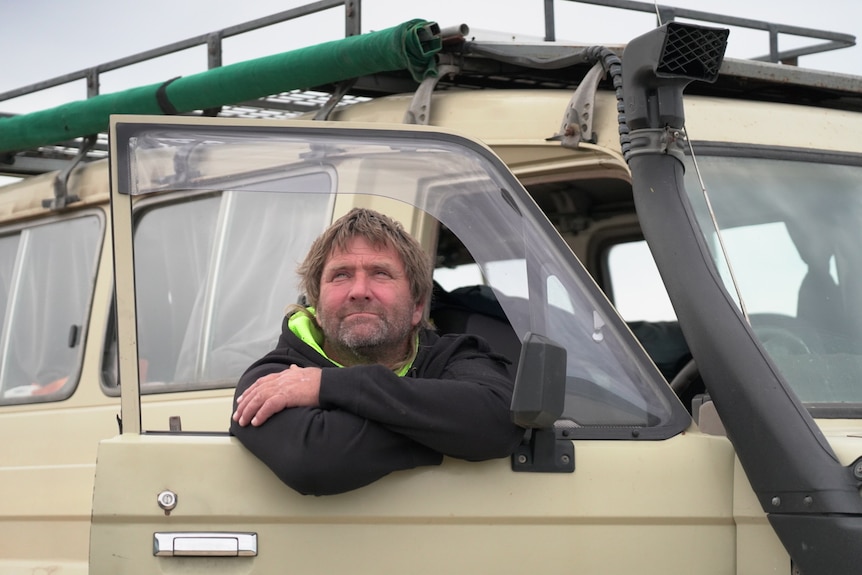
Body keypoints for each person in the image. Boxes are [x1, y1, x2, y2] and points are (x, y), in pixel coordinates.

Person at [230, 207, 524, 496]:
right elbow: (316, 461)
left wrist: (326, 386)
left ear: (418, 307)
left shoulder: (454, 355)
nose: (359, 290)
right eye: (341, 275)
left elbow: (500, 421)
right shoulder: (273, 378)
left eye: (380, 273)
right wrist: (445, 431)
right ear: (316, 307)